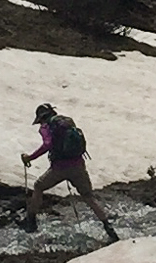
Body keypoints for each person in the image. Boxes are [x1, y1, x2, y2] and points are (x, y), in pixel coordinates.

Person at [20, 103, 118, 242]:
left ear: (41, 118)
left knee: (38, 186)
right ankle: (109, 228)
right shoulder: (68, 122)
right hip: (78, 166)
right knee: (89, 197)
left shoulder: (46, 127)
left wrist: (30, 157)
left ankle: (31, 222)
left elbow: (47, 145)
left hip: (59, 168)